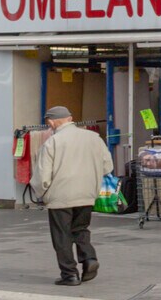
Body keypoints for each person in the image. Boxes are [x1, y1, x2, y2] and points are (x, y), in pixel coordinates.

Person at [31, 106, 114, 286]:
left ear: (51, 121)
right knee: (81, 228)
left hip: (60, 196)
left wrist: (42, 193)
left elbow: (42, 175)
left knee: (62, 235)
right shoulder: (94, 138)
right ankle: (89, 258)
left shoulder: (53, 142)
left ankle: (70, 274)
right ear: (71, 118)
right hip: (87, 193)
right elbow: (108, 167)